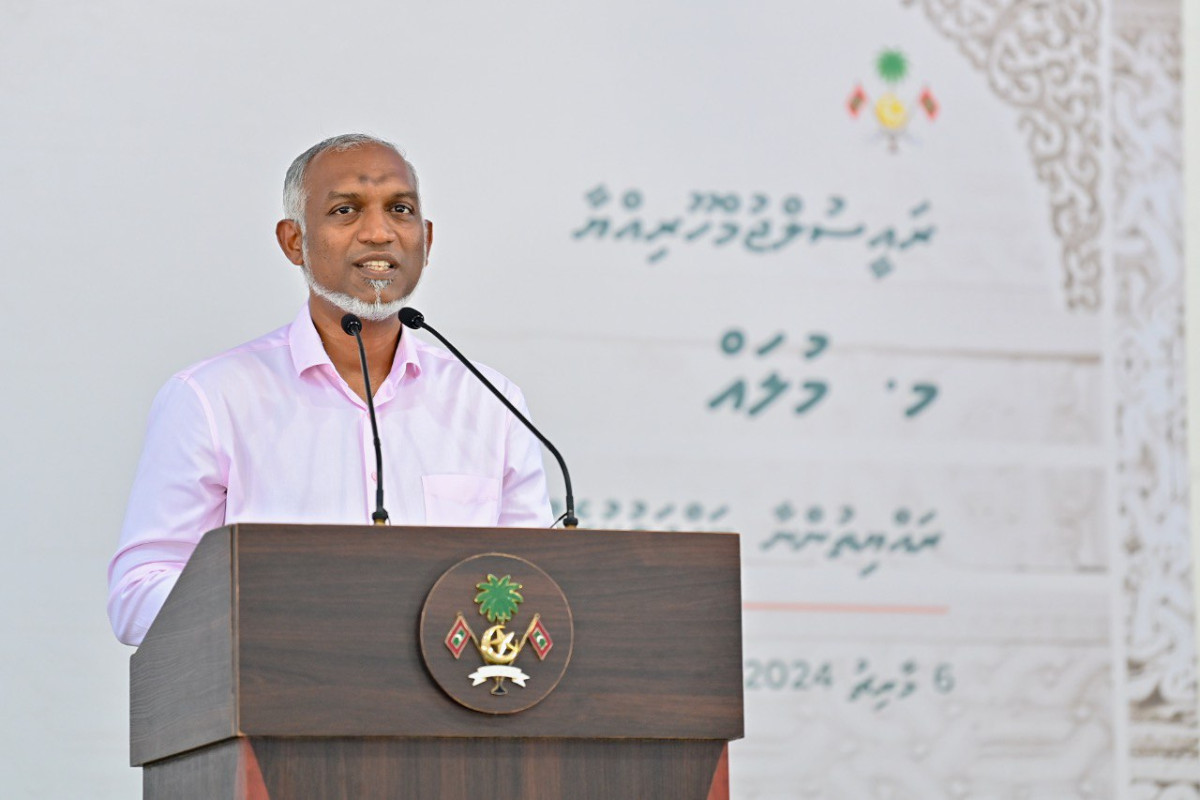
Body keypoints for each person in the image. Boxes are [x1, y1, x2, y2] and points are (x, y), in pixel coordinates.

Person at [107, 134, 552, 646]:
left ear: (426, 239)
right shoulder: (212, 398)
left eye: (400, 210)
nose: (379, 232)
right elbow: (138, 591)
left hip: (454, 706)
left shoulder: (491, 402)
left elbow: (534, 583)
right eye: (346, 210)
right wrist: (291, 613)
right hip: (279, 697)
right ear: (294, 240)